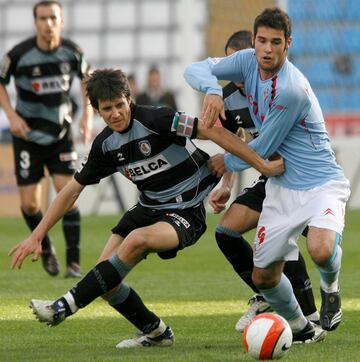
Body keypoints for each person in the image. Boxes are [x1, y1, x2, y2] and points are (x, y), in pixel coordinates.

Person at [8, 68, 283, 348]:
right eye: (107, 109)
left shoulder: (158, 118)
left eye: (119, 105)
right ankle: (156, 333)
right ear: (97, 111)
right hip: (146, 208)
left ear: (129, 99)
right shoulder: (105, 145)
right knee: (105, 280)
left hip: (185, 211)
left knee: (136, 241)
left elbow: (210, 130)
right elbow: (71, 190)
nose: (115, 113)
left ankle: (61, 307)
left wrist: (239, 168)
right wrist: (37, 234)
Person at [184, 7, 350, 341]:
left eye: (276, 42)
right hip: (280, 185)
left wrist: (225, 165)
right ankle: (302, 328)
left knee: (320, 249)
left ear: (288, 44)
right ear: (255, 40)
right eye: (262, 40)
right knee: (264, 278)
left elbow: (261, 147)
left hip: (320, 184)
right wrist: (213, 89)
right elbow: (195, 68)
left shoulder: (291, 89)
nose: (267, 49)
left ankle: (330, 288)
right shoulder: (246, 60)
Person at [208, 29, 325, 342]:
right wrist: (227, 184)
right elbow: (236, 141)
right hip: (270, 178)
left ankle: (312, 311)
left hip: (302, 179)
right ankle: (267, 297)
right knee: (226, 232)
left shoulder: (282, 87)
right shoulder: (228, 96)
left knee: (320, 245)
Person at [0, 0, 93, 277]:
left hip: (61, 135)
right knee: (29, 204)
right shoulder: (19, 54)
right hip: (27, 135)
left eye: (53, 18)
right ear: (35, 22)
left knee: (69, 196)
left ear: (61, 21)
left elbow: (87, 79)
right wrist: (11, 117)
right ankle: (46, 247)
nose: (48, 23)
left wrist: (88, 114)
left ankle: (74, 262)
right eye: (42, 18)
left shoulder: (72, 52)